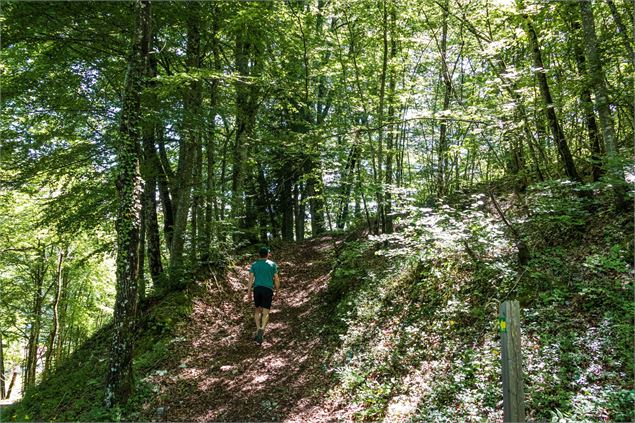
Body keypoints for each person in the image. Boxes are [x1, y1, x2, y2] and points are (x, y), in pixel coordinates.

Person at [246, 246, 280, 344]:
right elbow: (276, 279)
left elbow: (251, 279)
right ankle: (262, 328)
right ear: (267, 254)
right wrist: (277, 291)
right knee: (266, 312)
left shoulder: (254, 265)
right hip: (268, 290)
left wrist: (248, 293)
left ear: (259, 254)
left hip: (257, 289)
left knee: (257, 310)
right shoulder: (273, 264)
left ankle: (258, 330)